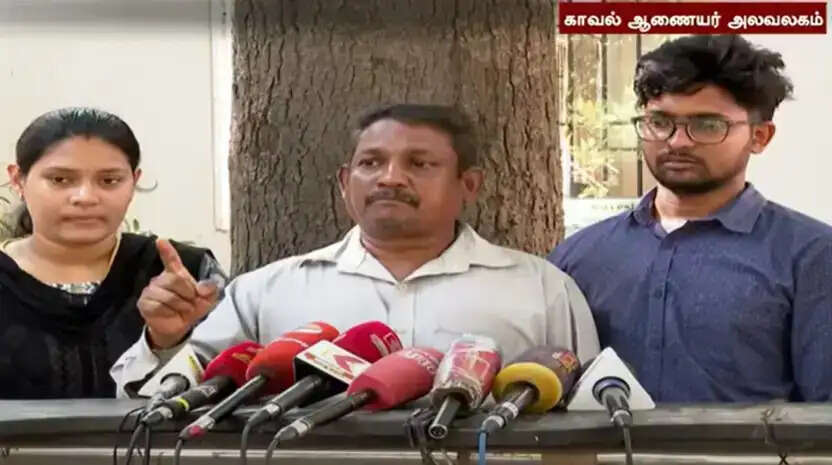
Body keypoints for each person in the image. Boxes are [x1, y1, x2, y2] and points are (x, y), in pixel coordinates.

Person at [111, 104, 600, 396]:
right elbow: (159, 405)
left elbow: (592, 417)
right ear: (345, 183)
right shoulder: (266, 291)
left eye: (419, 164)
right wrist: (167, 341)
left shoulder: (541, 289)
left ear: (468, 185)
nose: (390, 178)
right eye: (371, 163)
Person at [549, 35, 832, 402]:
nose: (678, 142)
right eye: (659, 122)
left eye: (708, 125)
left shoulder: (811, 256)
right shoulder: (579, 256)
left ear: (759, 137)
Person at [0, 107, 223, 399]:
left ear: (134, 181)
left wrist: (167, 342)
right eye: (60, 179)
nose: (85, 198)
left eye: (109, 181)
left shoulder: (185, 277)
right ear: (18, 180)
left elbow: (233, 386)